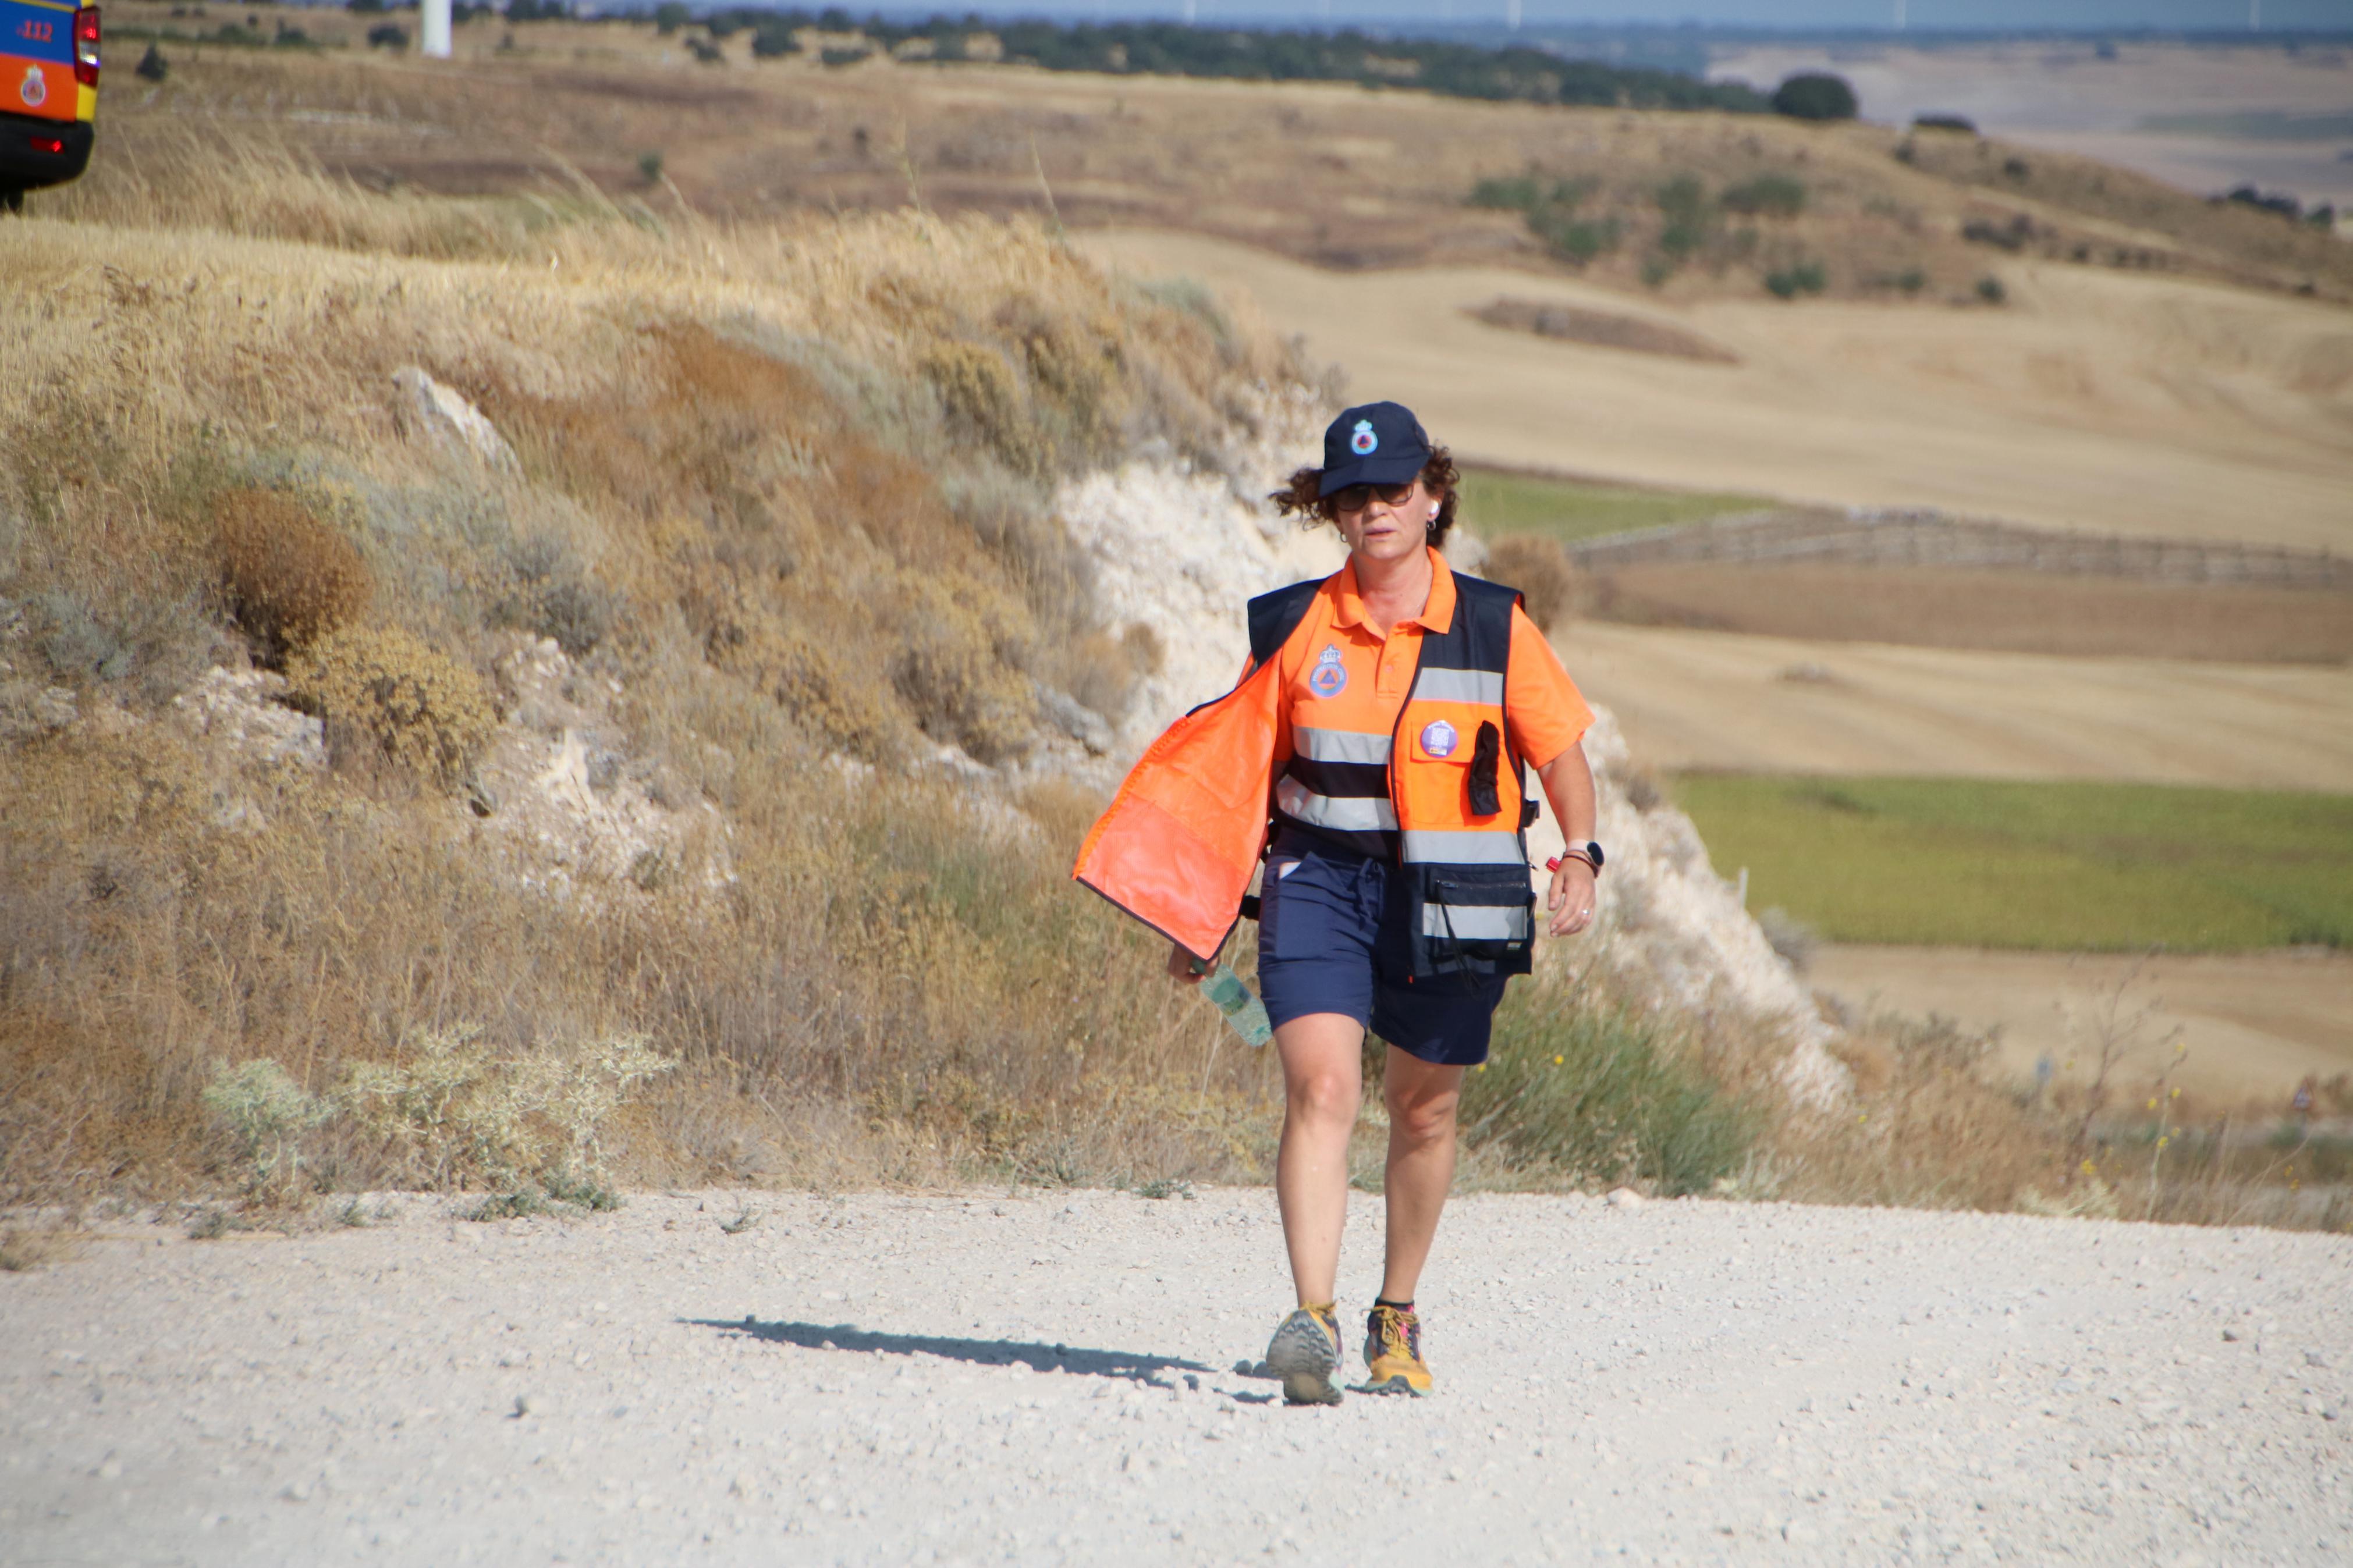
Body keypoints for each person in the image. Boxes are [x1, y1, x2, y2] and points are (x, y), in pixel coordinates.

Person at [1074, 401, 1602, 1406]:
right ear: (1334, 511)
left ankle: (1393, 1315)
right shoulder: (1295, 625)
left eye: (1394, 490)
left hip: (1455, 898)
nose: (1375, 511)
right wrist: (1206, 909)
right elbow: (1239, 775)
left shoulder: (1495, 624)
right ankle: (1310, 1318)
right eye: (1353, 496)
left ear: (1432, 497)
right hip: (1317, 880)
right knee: (1321, 1090)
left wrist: (1580, 855)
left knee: (1424, 1108)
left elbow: (1563, 757)